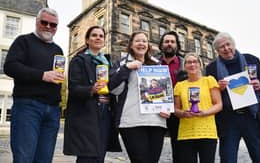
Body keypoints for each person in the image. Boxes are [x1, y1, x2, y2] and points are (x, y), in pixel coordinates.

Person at [4, 8, 64, 162]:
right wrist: (43, 75)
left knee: (44, 159)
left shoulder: (58, 50)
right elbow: (10, 66)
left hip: (52, 111)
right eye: (44, 22)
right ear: (37, 22)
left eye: (53, 24)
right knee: (24, 157)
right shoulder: (23, 41)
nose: (48, 27)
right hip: (28, 107)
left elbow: (55, 79)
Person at [205, 32, 260, 163]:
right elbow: (209, 94)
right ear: (217, 51)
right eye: (221, 47)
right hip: (228, 119)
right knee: (228, 158)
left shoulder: (252, 60)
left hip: (252, 116)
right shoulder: (211, 68)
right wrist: (218, 88)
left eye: (228, 44)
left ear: (233, 44)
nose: (226, 48)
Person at [109, 31, 170, 163]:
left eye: (144, 41)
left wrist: (167, 108)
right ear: (131, 44)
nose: (141, 44)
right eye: (137, 41)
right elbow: (113, 89)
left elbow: (164, 92)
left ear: (148, 45)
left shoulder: (158, 65)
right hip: (132, 121)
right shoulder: (121, 64)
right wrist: (127, 68)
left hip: (156, 121)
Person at [63, 26, 121, 163]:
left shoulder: (108, 62)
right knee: (87, 156)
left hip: (105, 113)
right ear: (87, 40)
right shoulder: (78, 60)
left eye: (101, 36)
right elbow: (74, 87)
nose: (98, 38)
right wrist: (91, 89)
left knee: (99, 156)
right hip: (86, 114)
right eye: (94, 35)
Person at [174, 53, 222, 163]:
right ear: (184, 66)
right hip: (186, 133)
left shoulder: (209, 80)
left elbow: (219, 104)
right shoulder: (179, 85)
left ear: (200, 64)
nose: (192, 64)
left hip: (207, 132)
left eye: (195, 61)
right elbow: (176, 109)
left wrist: (204, 113)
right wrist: (183, 113)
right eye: (188, 62)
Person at [158, 31, 187, 163]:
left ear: (177, 45)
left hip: (178, 111)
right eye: (166, 41)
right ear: (161, 45)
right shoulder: (152, 62)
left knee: (180, 151)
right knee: (153, 149)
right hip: (157, 111)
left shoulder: (185, 64)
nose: (169, 44)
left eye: (172, 41)